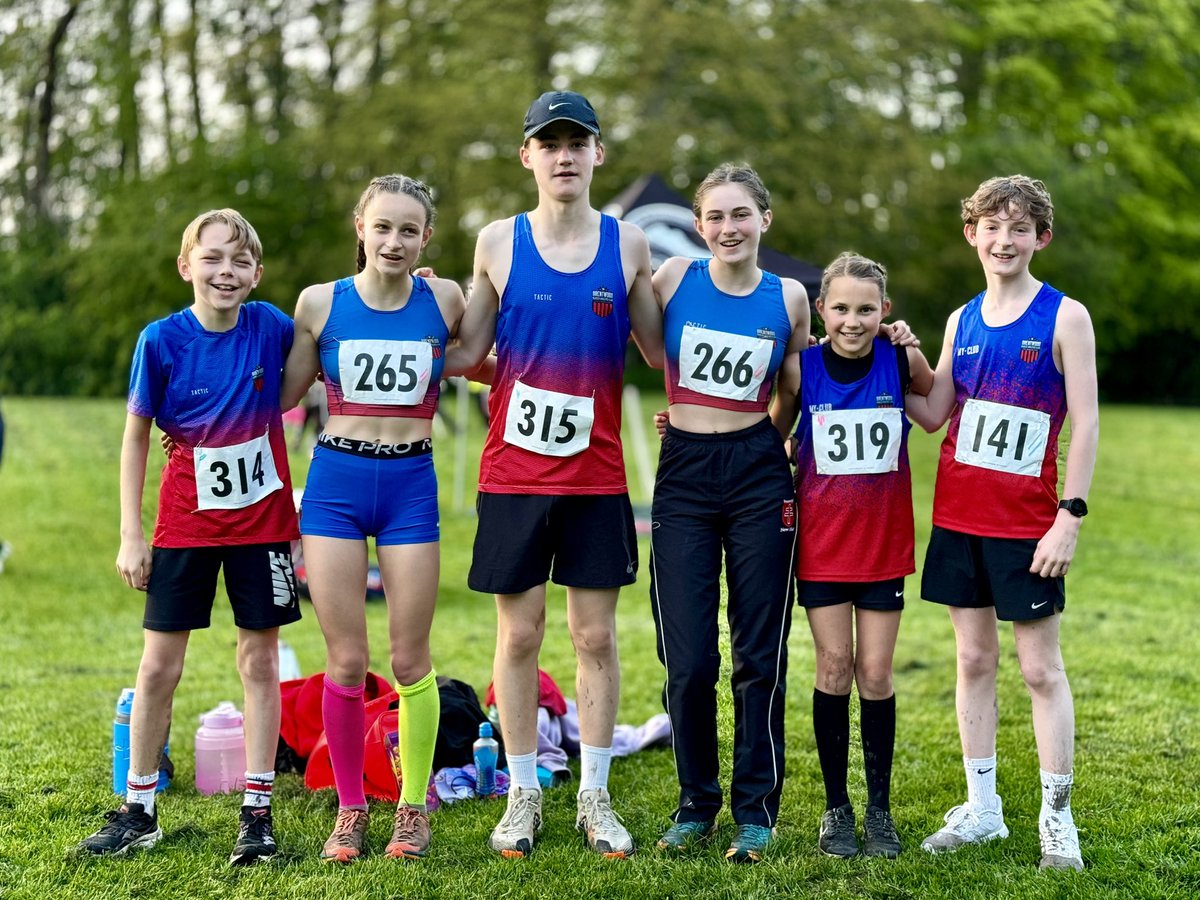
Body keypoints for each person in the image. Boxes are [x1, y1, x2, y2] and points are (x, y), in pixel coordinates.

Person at [446, 90, 662, 859]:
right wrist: (402, 314)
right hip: (513, 475)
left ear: (599, 153)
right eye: (550, 142)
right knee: (520, 634)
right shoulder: (497, 242)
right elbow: (466, 353)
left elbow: (661, 352)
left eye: (577, 142)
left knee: (593, 634)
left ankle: (595, 795)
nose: (564, 155)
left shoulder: (628, 244)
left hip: (596, 478)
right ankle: (524, 794)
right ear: (527, 156)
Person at [75, 209, 301, 865]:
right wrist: (130, 534)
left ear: (256, 274)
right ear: (186, 267)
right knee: (157, 667)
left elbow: (331, 335)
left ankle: (256, 813)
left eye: (239, 261)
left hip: (263, 525)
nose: (225, 271)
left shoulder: (272, 327)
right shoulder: (161, 341)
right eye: (212, 258)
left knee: (260, 662)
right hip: (184, 524)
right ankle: (139, 809)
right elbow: (135, 438)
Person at [905, 175, 1099, 872]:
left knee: (1040, 670)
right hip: (959, 520)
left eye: (1019, 228)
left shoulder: (1065, 317)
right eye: (991, 226)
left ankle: (1057, 820)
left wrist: (1069, 517)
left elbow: (1086, 424)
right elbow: (935, 414)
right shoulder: (961, 320)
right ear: (972, 234)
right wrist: (889, 360)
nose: (1004, 240)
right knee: (973, 661)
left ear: (1040, 238)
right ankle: (983, 810)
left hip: (1028, 528)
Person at [280, 174, 467, 863]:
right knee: (347, 660)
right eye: (382, 226)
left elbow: (485, 356)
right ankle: (351, 809)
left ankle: (412, 809)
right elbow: (282, 394)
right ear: (360, 227)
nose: (394, 241)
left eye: (408, 230)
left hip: (411, 486)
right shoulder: (319, 303)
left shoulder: (445, 300)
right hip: (336, 484)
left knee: (411, 657)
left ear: (426, 239)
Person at [646, 164, 809, 864]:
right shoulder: (671, 279)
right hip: (683, 474)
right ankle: (695, 803)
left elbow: (794, 389)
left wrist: (760, 446)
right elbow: (628, 338)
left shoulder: (790, 297)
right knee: (687, 658)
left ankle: (754, 810)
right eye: (715, 216)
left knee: (757, 653)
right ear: (698, 225)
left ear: (764, 219)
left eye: (741, 214)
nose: (728, 228)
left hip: (757, 472)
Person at [788, 252, 933, 860]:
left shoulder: (899, 361)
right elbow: (770, 435)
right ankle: (836, 809)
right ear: (822, 309)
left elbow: (935, 407)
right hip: (823, 547)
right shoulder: (800, 367)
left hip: (881, 546)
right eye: (842, 308)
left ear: (885, 311)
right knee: (833, 668)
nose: (853, 320)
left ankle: (879, 809)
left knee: (875, 673)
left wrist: (914, 346)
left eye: (867, 309)